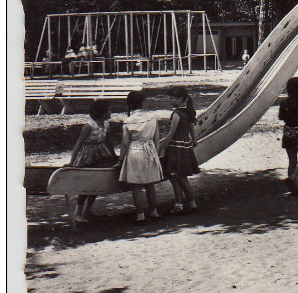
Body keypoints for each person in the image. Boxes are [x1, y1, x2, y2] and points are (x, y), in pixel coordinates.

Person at [66, 98, 117, 222]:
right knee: (87, 183)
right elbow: (79, 143)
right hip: (88, 156)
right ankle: (78, 212)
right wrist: (72, 162)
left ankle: (87, 210)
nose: (111, 112)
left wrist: (114, 155)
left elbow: (107, 140)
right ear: (102, 112)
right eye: (109, 110)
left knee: (97, 183)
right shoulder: (89, 126)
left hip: (101, 154)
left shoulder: (106, 124)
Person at [119, 90, 164, 225]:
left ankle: (140, 215)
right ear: (143, 103)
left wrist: (121, 159)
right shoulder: (152, 117)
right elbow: (157, 139)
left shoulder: (128, 121)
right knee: (150, 185)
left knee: (136, 186)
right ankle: (154, 212)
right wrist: (155, 153)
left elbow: (125, 143)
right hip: (150, 151)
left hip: (135, 152)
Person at [158, 86, 200, 215]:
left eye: (172, 98)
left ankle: (190, 203)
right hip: (185, 147)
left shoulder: (176, 114)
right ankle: (180, 204)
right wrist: (193, 140)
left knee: (179, 177)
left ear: (180, 99)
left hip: (176, 149)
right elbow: (192, 129)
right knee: (176, 177)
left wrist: (161, 146)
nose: (169, 100)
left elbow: (171, 133)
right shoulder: (188, 112)